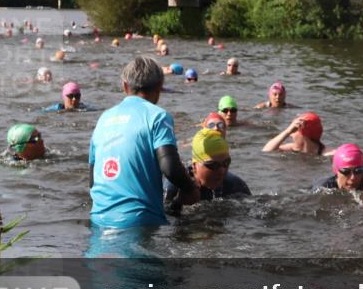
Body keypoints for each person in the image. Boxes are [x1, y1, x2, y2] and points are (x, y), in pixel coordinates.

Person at [88, 56, 199, 228]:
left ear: (125, 86)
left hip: (98, 219)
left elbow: (93, 180)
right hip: (140, 220)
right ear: (160, 87)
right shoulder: (158, 116)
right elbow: (170, 167)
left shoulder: (103, 118)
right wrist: (190, 189)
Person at [164, 129, 251, 215]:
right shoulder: (175, 185)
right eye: (213, 165)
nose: (221, 171)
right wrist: (178, 204)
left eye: (226, 163)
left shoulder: (235, 185)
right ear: (194, 165)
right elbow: (164, 219)